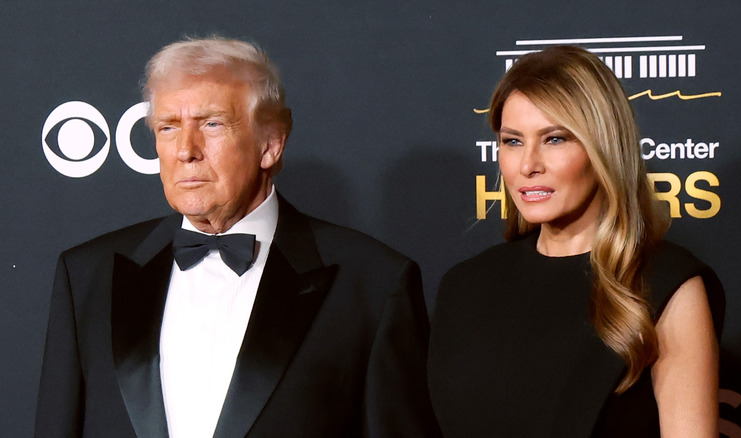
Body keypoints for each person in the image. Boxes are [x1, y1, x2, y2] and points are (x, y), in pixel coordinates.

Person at [35, 37, 439, 438]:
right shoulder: (88, 276)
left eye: (211, 124)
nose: (185, 150)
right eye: (168, 127)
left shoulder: (372, 284)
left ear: (271, 144)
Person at [427, 45, 725, 437]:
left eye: (554, 139)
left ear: (603, 147)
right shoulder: (465, 286)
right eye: (512, 141)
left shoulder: (664, 283)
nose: (529, 164)